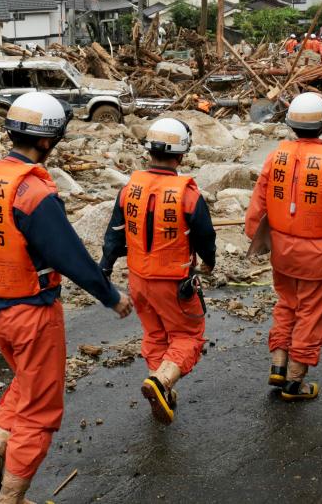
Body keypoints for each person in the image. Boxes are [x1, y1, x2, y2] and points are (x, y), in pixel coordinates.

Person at [0, 92, 134, 504]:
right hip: (31, 312)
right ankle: (13, 497)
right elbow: (68, 253)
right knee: (40, 409)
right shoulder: (32, 192)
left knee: (24, 382)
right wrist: (110, 295)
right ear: (46, 141)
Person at [100, 118, 217, 424]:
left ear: (149, 151)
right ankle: (161, 381)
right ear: (181, 155)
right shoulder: (187, 194)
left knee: (154, 334)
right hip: (174, 283)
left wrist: (105, 267)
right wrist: (210, 261)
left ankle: (160, 388)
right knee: (188, 336)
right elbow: (205, 235)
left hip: (138, 280)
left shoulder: (130, 188)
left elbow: (114, 233)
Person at [246, 93, 322, 401]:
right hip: (320, 258)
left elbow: (258, 203)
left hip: (283, 254)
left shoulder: (276, 157)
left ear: (290, 124)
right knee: (312, 313)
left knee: (287, 305)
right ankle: (295, 381)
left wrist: (256, 239)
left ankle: (279, 364)